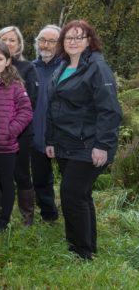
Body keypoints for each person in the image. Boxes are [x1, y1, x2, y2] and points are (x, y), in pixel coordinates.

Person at [46, 20, 122, 260]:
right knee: (81, 195)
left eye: (79, 37)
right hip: (65, 142)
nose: (73, 41)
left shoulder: (97, 68)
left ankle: (82, 252)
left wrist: (102, 145)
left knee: (71, 193)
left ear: (89, 41)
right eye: (69, 37)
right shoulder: (63, 66)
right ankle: (84, 245)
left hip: (89, 144)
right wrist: (50, 140)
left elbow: (110, 110)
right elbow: (53, 107)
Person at [0, 41, 33, 235]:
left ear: (8, 61)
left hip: (6, 145)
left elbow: (26, 112)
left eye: (0, 59)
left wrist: (11, 130)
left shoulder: (15, 86)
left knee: (6, 183)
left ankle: (4, 219)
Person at [0, 26, 38, 226]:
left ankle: (26, 216)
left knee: (21, 173)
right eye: (4, 39)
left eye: (13, 40)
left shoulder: (28, 68)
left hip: (19, 133)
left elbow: (30, 103)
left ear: (19, 44)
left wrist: (11, 129)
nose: (8, 43)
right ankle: (0, 212)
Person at [31, 25, 62, 222]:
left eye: (52, 41)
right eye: (42, 40)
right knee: (41, 177)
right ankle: (48, 214)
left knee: (71, 180)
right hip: (36, 134)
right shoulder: (31, 68)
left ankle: (74, 212)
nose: (46, 45)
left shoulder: (66, 68)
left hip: (62, 134)